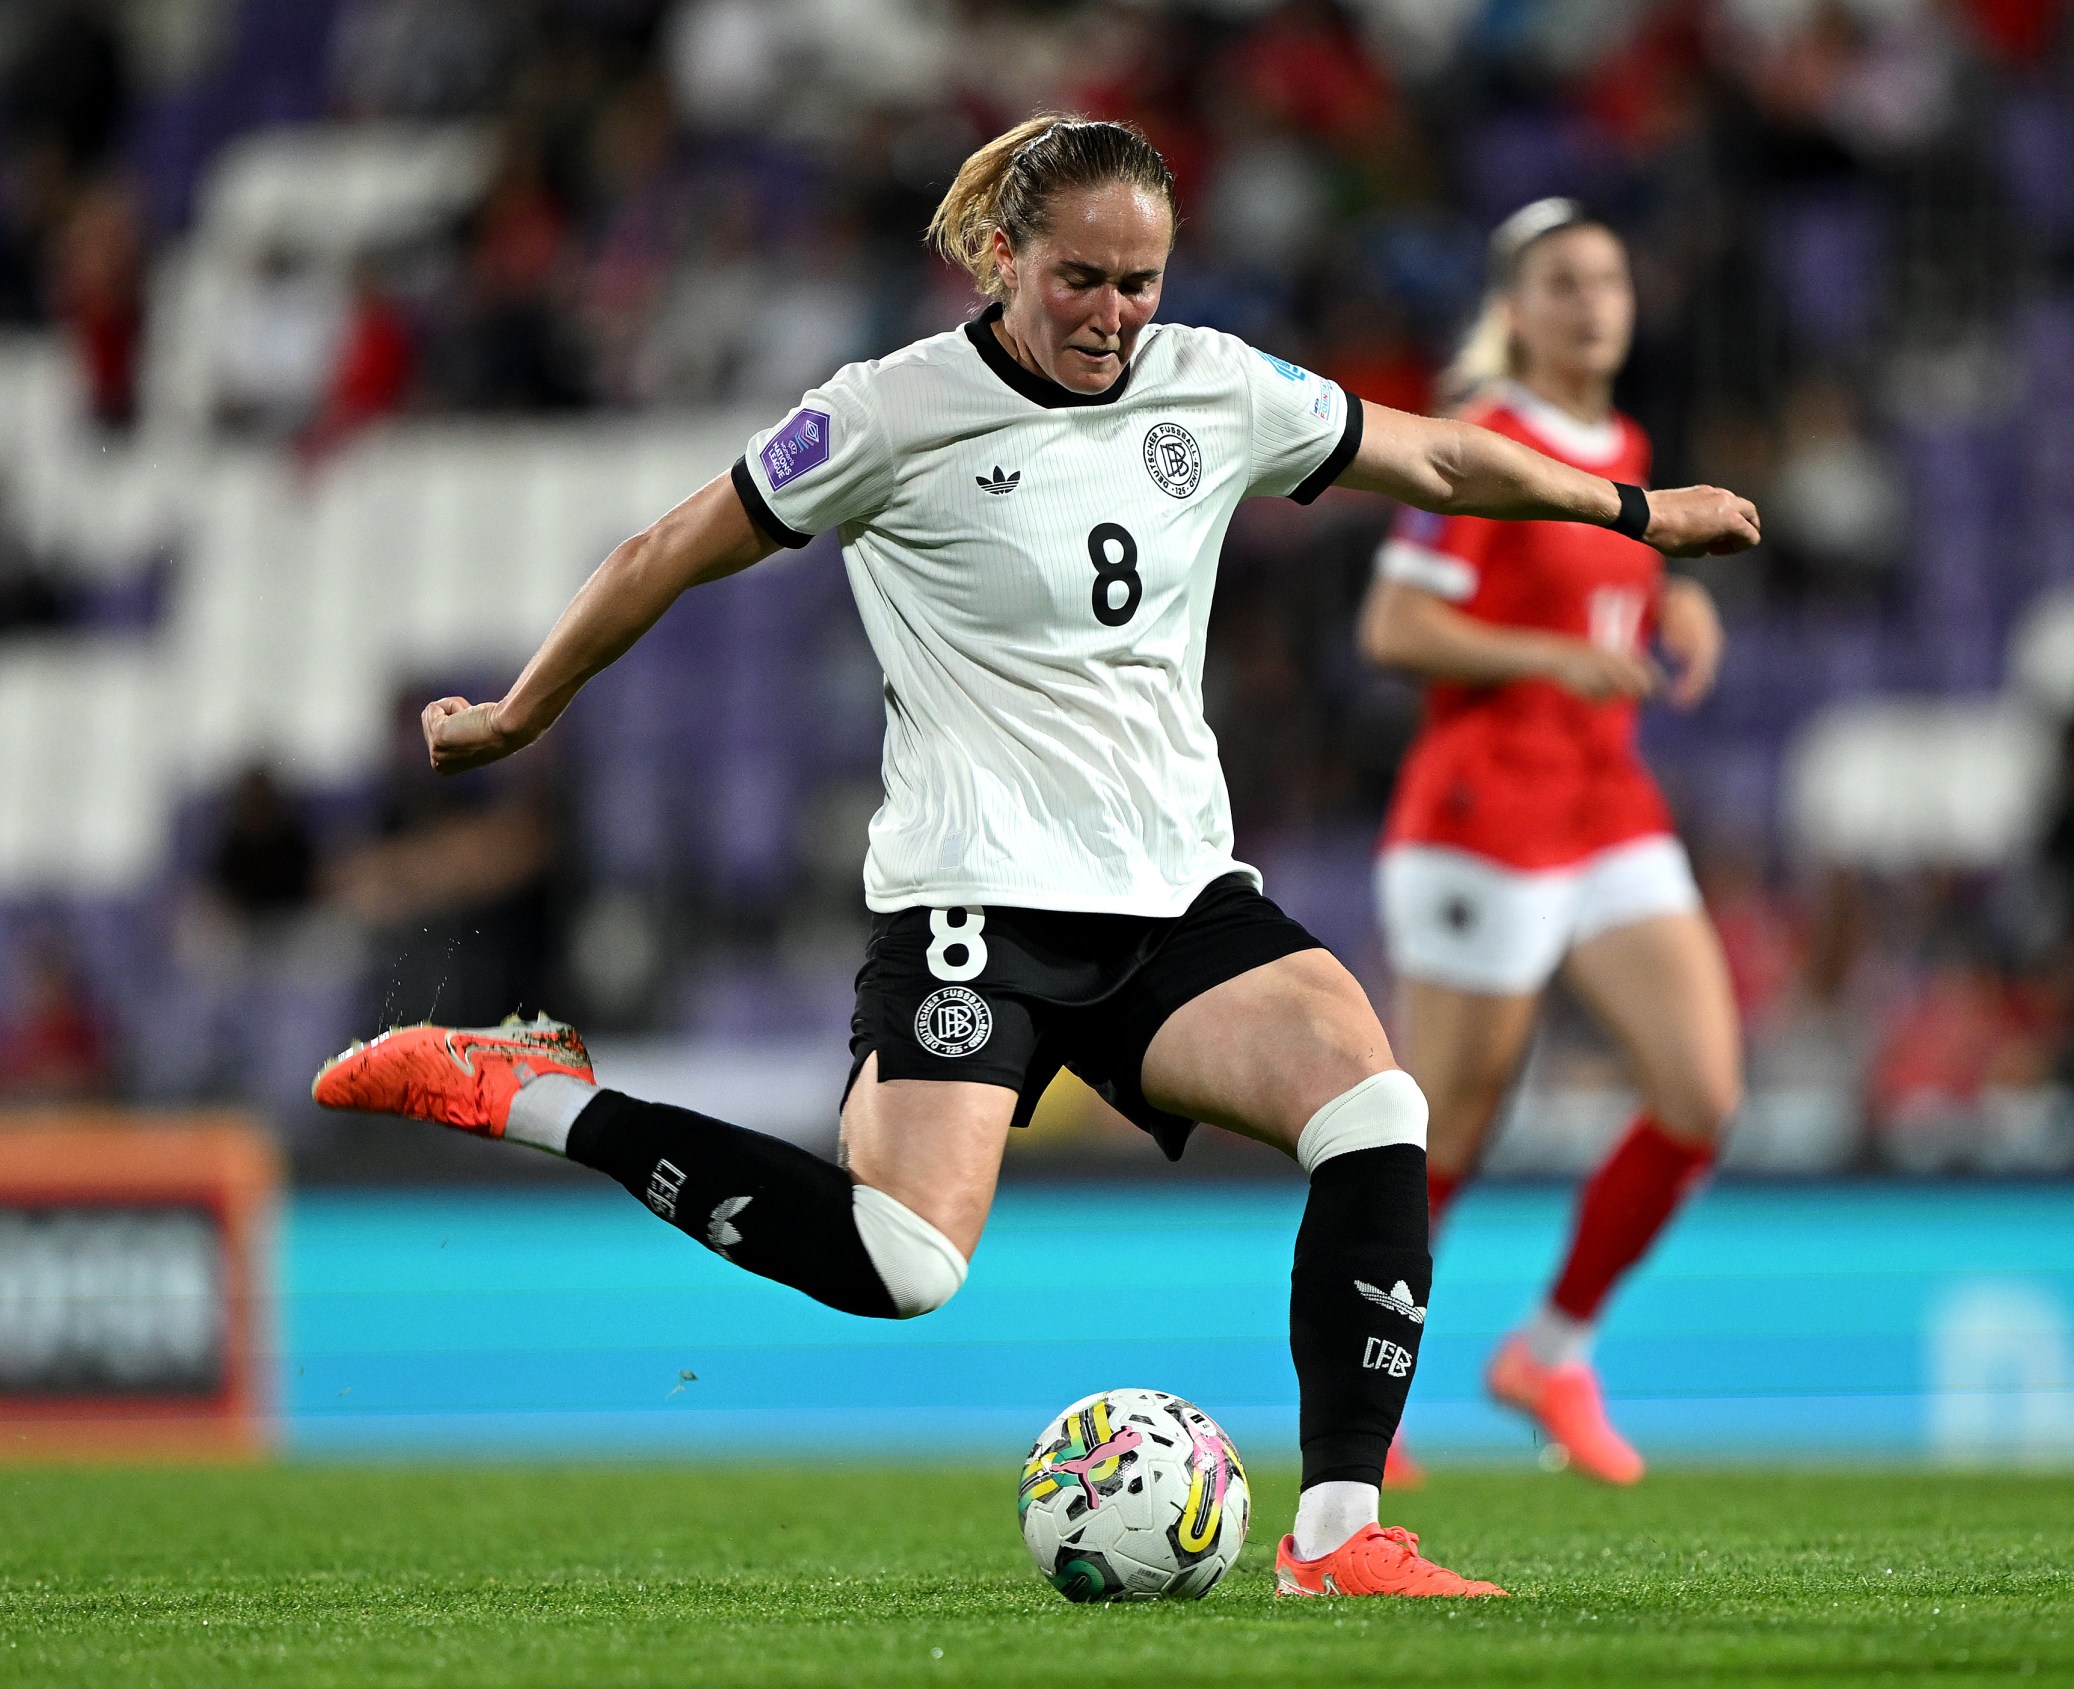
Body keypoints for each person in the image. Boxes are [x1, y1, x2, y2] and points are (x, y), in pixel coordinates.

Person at [312, 120, 1758, 1596]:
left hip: (1177, 903)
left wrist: (1639, 513)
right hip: (976, 907)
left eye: (1142, 280)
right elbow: (670, 549)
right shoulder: (888, 413)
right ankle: (552, 1096)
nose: (1116, 315)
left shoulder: (1216, 383)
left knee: (1377, 1113)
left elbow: (1439, 453)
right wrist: (516, 714)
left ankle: (1337, 1536)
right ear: (1003, 254)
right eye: (1084, 278)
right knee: (905, 1266)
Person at [1358, 200, 1743, 1486]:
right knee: (1451, 1128)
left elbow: (1599, 580)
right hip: (1485, 814)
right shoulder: (1482, 446)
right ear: (1513, 310)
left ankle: (1552, 1349)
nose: (1594, 302)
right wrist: (1554, 658)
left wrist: (1670, 595)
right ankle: (1365, 1391)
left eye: (1610, 279)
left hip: (1606, 805)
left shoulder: (1620, 445)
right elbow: (1396, 630)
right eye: (1563, 283)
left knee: (1701, 1093)